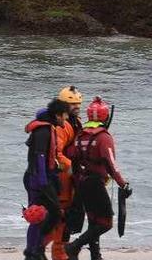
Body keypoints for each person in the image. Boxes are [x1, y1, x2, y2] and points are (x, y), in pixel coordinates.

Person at [65, 97, 131, 260]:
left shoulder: (80, 135)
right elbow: (111, 164)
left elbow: (71, 154)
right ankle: (74, 247)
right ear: (106, 117)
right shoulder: (104, 137)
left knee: (94, 221)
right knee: (105, 223)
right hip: (95, 183)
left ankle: (96, 256)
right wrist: (123, 184)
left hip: (82, 183)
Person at [23, 98, 71, 260]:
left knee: (46, 215)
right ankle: (33, 251)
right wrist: (43, 182)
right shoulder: (43, 131)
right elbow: (40, 157)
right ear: (58, 115)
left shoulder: (49, 127)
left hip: (42, 178)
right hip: (38, 180)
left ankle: (35, 249)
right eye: (65, 115)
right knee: (42, 215)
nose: (66, 119)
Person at [51, 86, 84, 260]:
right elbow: (58, 153)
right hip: (63, 178)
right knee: (62, 219)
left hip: (71, 178)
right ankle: (59, 255)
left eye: (78, 103)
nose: (77, 107)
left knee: (67, 219)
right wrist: (72, 168)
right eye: (73, 104)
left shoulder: (75, 121)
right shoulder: (62, 126)